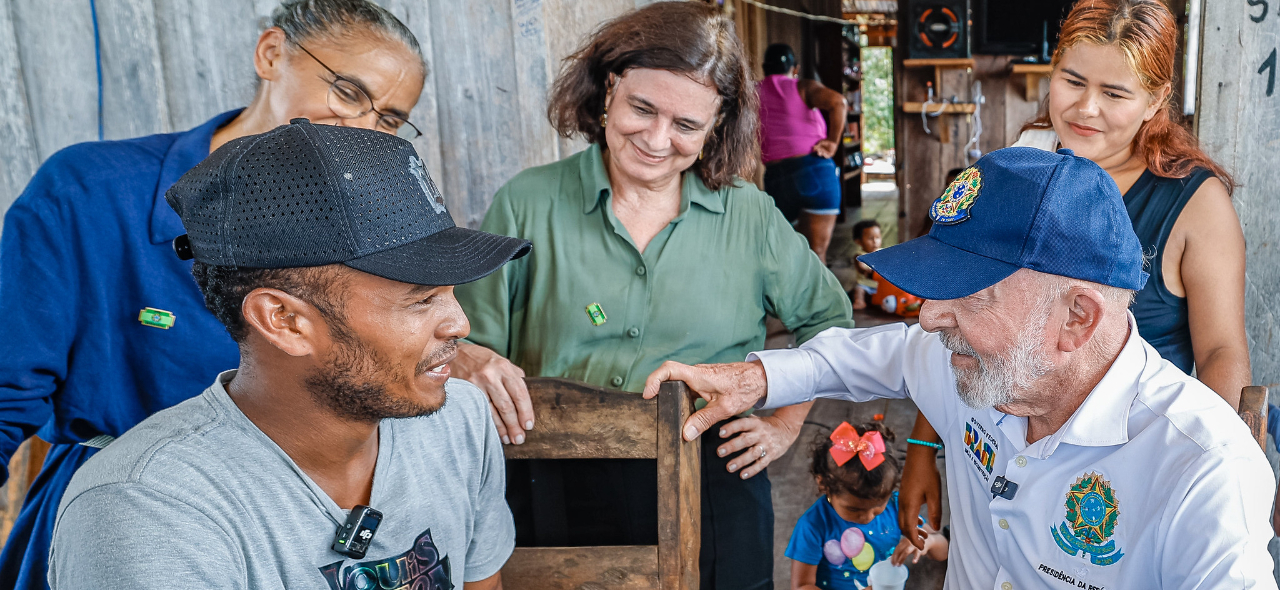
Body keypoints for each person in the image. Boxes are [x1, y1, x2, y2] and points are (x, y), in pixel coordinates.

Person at [645, 147, 1277, 589]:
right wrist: (756, 379)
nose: (929, 317)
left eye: (969, 295)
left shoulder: (1201, 472)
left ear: (1078, 319)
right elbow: (867, 354)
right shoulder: (988, 366)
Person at [0, 3, 426, 588]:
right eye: (350, 91)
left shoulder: (372, 227)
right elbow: (5, 396)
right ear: (271, 54)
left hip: (298, 528)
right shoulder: (89, 193)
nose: (362, 128)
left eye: (390, 120)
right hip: (120, 521)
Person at [450, 4, 854, 588]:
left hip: (713, 476)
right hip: (553, 476)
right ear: (610, 87)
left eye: (687, 125)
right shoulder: (526, 204)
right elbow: (464, 342)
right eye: (642, 108)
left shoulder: (749, 215)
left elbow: (829, 324)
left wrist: (785, 424)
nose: (657, 140)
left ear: (716, 125)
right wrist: (469, 357)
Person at [47, 120, 530, 589]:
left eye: (450, 291)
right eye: (420, 299)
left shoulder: (458, 419)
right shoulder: (144, 510)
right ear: (283, 320)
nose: (459, 324)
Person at [900, 0, 1253, 546]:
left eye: (1115, 94)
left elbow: (1221, 354)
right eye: (1073, 80)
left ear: (1156, 100)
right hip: (1003, 444)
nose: (1086, 109)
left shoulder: (1195, 204)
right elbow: (962, 318)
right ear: (1053, 68)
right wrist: (925, 446)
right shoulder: (1024, 163)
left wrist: (1197, 476)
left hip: (1120, 472)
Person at [786, 421, 945, 590]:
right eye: (854, 509)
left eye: (877, 508)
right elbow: (802, 586)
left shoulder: (896, 507)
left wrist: (928, 543)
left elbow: (945, 549)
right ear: (824, 485)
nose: (867, 517)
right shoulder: (813, 525)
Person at [758, 43, 849, 263]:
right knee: (816, 257)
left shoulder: (752, 91)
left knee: (783, 259)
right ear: (795, 69)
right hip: (814, 170)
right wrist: (832, 143)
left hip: (776, 178)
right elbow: (838, 101)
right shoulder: (803, 87)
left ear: (764, 68)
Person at [848, 219, 882, 310]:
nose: (875, 241)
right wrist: (871, 273)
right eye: (870, 238)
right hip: (866, 285)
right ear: (858, 241)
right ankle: (859, 301)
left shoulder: (882, 252)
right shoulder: (860, 256)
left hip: (880, 285)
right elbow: (862, 269)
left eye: (878, 237)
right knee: (859, 289)